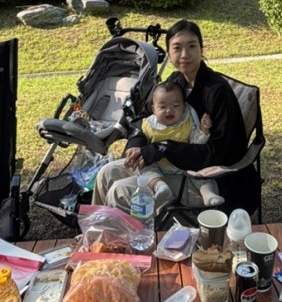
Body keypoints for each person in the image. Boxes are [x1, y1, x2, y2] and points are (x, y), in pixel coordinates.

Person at [92, 19, 258, 215]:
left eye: (192, 46)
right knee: (106, 173)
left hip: (204, 179)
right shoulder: (176, 81)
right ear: (169, 54)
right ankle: (96, 228)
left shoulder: (216, 91)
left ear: (201, 49)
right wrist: (137, 144)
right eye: (177, 48)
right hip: (163, 166)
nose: (185, 54)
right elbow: (144, 117)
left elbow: (222, 153)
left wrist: (163, 148)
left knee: (120, 191)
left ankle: (126, 233)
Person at [134, 79, 223, 208]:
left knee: (201, 174)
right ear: (153, 109)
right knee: (144, 166)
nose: (169, 111)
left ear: (184, 106)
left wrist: (203, 130)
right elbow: (139, 139)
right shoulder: (149, 125)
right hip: (159, 166)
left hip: (184, 166)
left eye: (176, 106)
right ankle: (160, 186)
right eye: (162, 107)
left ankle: (208, 194)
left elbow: (196, 144)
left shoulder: (187, 122)